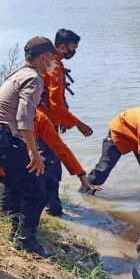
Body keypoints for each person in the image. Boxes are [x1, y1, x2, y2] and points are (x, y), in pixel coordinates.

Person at [0, 37, 60, 257]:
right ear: (42, 58)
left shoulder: (17, 73)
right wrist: (34, 152)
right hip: (1, 139)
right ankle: (26, 241)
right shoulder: (33, 78)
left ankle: (18, 233)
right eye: (51, 58)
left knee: (34, 183)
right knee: (40, 186)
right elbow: (25, 118)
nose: (54, 63)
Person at [0, 106, 101, 240]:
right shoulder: (38, 117)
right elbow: (59, 147)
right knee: (44, 185)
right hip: (2, 165)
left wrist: (80, 173)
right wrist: (81, 175)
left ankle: (11, 221)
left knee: (17, 178)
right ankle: (25, 235)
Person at [38, 29, 93, 216]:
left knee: (45, 161)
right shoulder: (54, 67)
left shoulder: (47, 62)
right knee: (52, 165)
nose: (74, 52)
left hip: (40, 119)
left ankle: (49, 204)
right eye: (73, 48)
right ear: (62, 46)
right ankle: (53, 208)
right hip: (43, 123)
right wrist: (79, 124)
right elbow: (56, 105)